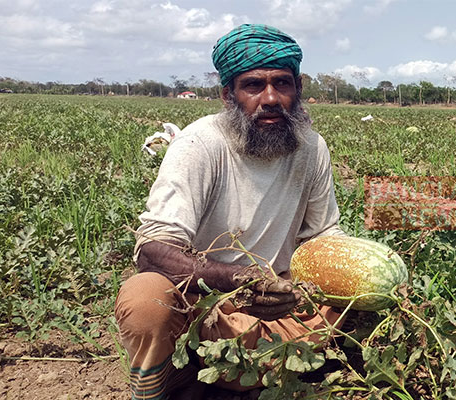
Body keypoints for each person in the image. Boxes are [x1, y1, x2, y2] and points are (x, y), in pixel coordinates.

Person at [114, 23, 346, 400]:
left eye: (282, 84)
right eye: (254, 85)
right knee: (144, 298)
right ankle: (165, 385)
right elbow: (152, 249)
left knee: (355, 298)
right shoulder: (200, 146)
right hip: (201, 301)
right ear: (229, 95)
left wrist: (323, 283)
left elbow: (323, 237)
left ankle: (239, 375)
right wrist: (239, 279)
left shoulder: (311, 148)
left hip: (281, 300)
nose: (270, 98)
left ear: (297, 90)